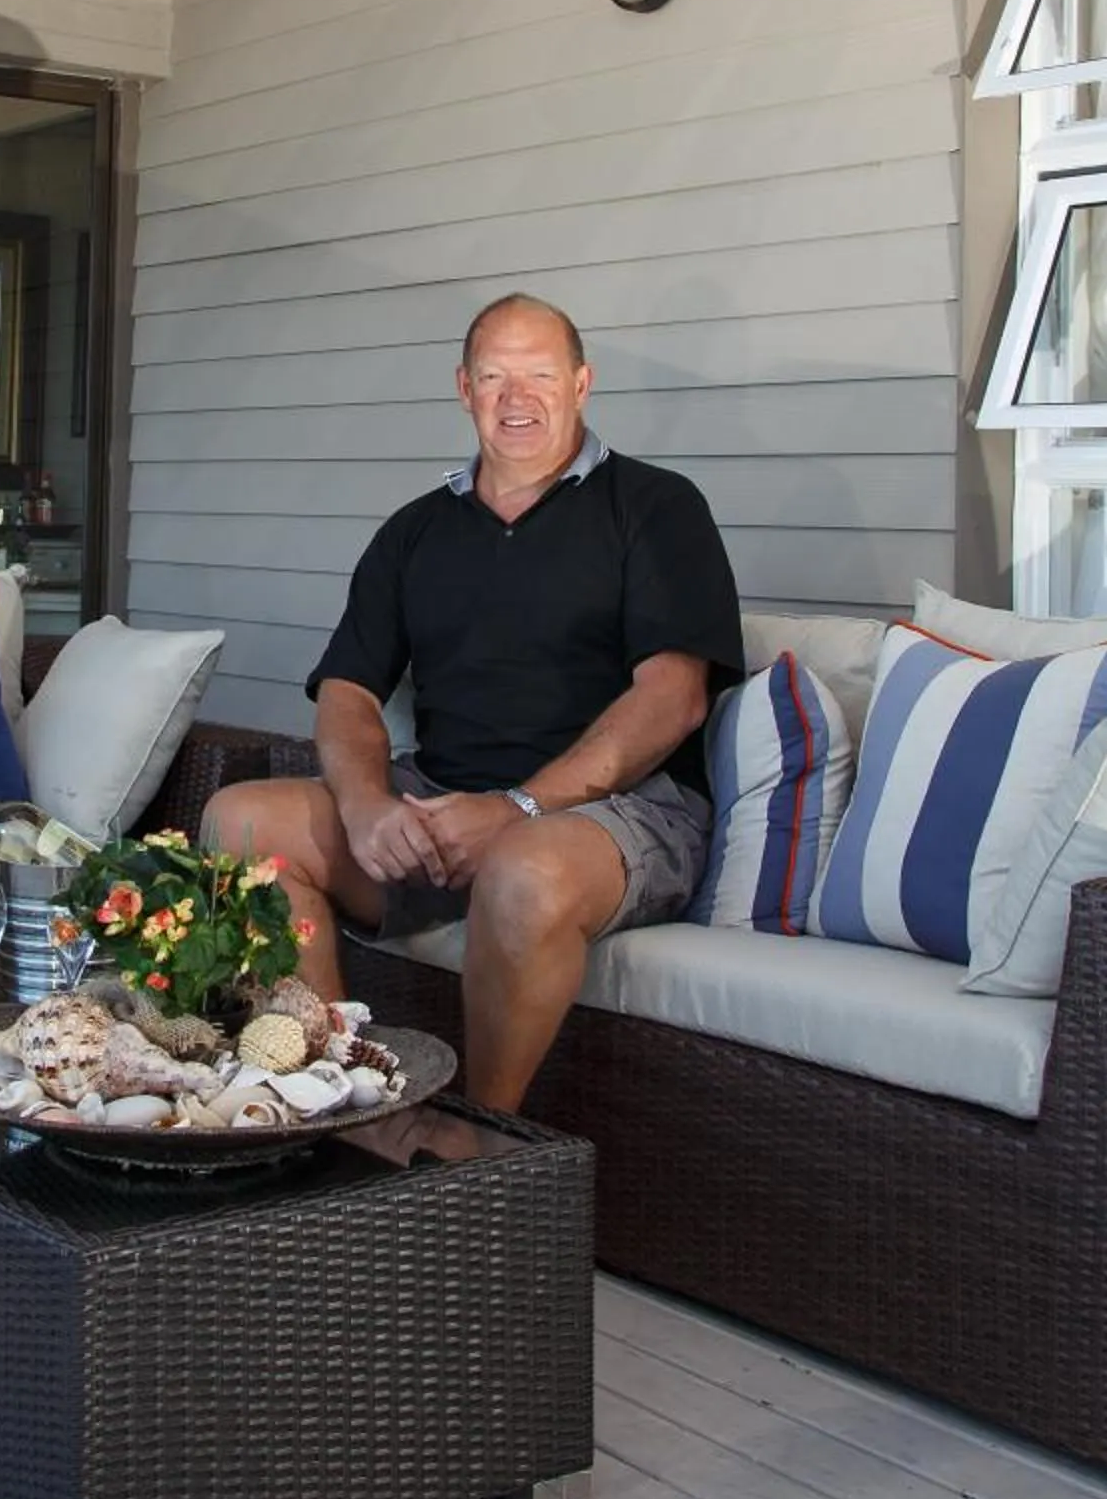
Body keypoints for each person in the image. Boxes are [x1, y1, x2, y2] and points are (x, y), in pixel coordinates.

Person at [203, 292, 743, 1111]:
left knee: (524, 869)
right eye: (495, 377)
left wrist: (517, 808)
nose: (516, 399)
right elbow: (348, 690)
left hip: (622, 814)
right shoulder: (417, 532)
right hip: (445, 802)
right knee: (242, 818)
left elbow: (672, 700)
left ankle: (482, 1139)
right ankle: (328, 1096)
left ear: (582, 382)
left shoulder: (657, 508)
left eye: (539, 375)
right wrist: (367, 807)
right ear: (464, 389)